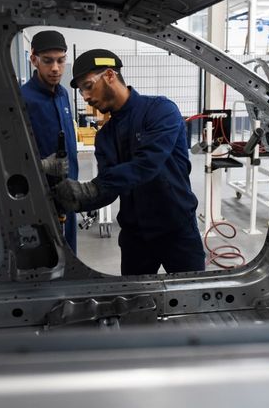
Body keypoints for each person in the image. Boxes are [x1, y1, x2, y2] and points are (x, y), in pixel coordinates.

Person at [53, 49, 205, 275]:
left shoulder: (161, 110)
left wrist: (93, 188)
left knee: (191, 300)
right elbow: (108, 189)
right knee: (136, 304)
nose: (85, 97)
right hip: (136, 237)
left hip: (177, 230)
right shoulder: (105, 136)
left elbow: (147, 164)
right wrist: (75, 199)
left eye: (87, 85)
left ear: (109, 76)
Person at [21, 30, 79, 253]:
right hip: (39, 196)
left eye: (60, 60)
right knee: (46, 254)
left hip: (69, 190)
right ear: (34, 59)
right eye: (47, 61)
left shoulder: (64, 94)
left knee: (70, 251)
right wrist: (42, 165)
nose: (55, 68)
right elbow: (9, 154)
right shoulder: (22, 100)